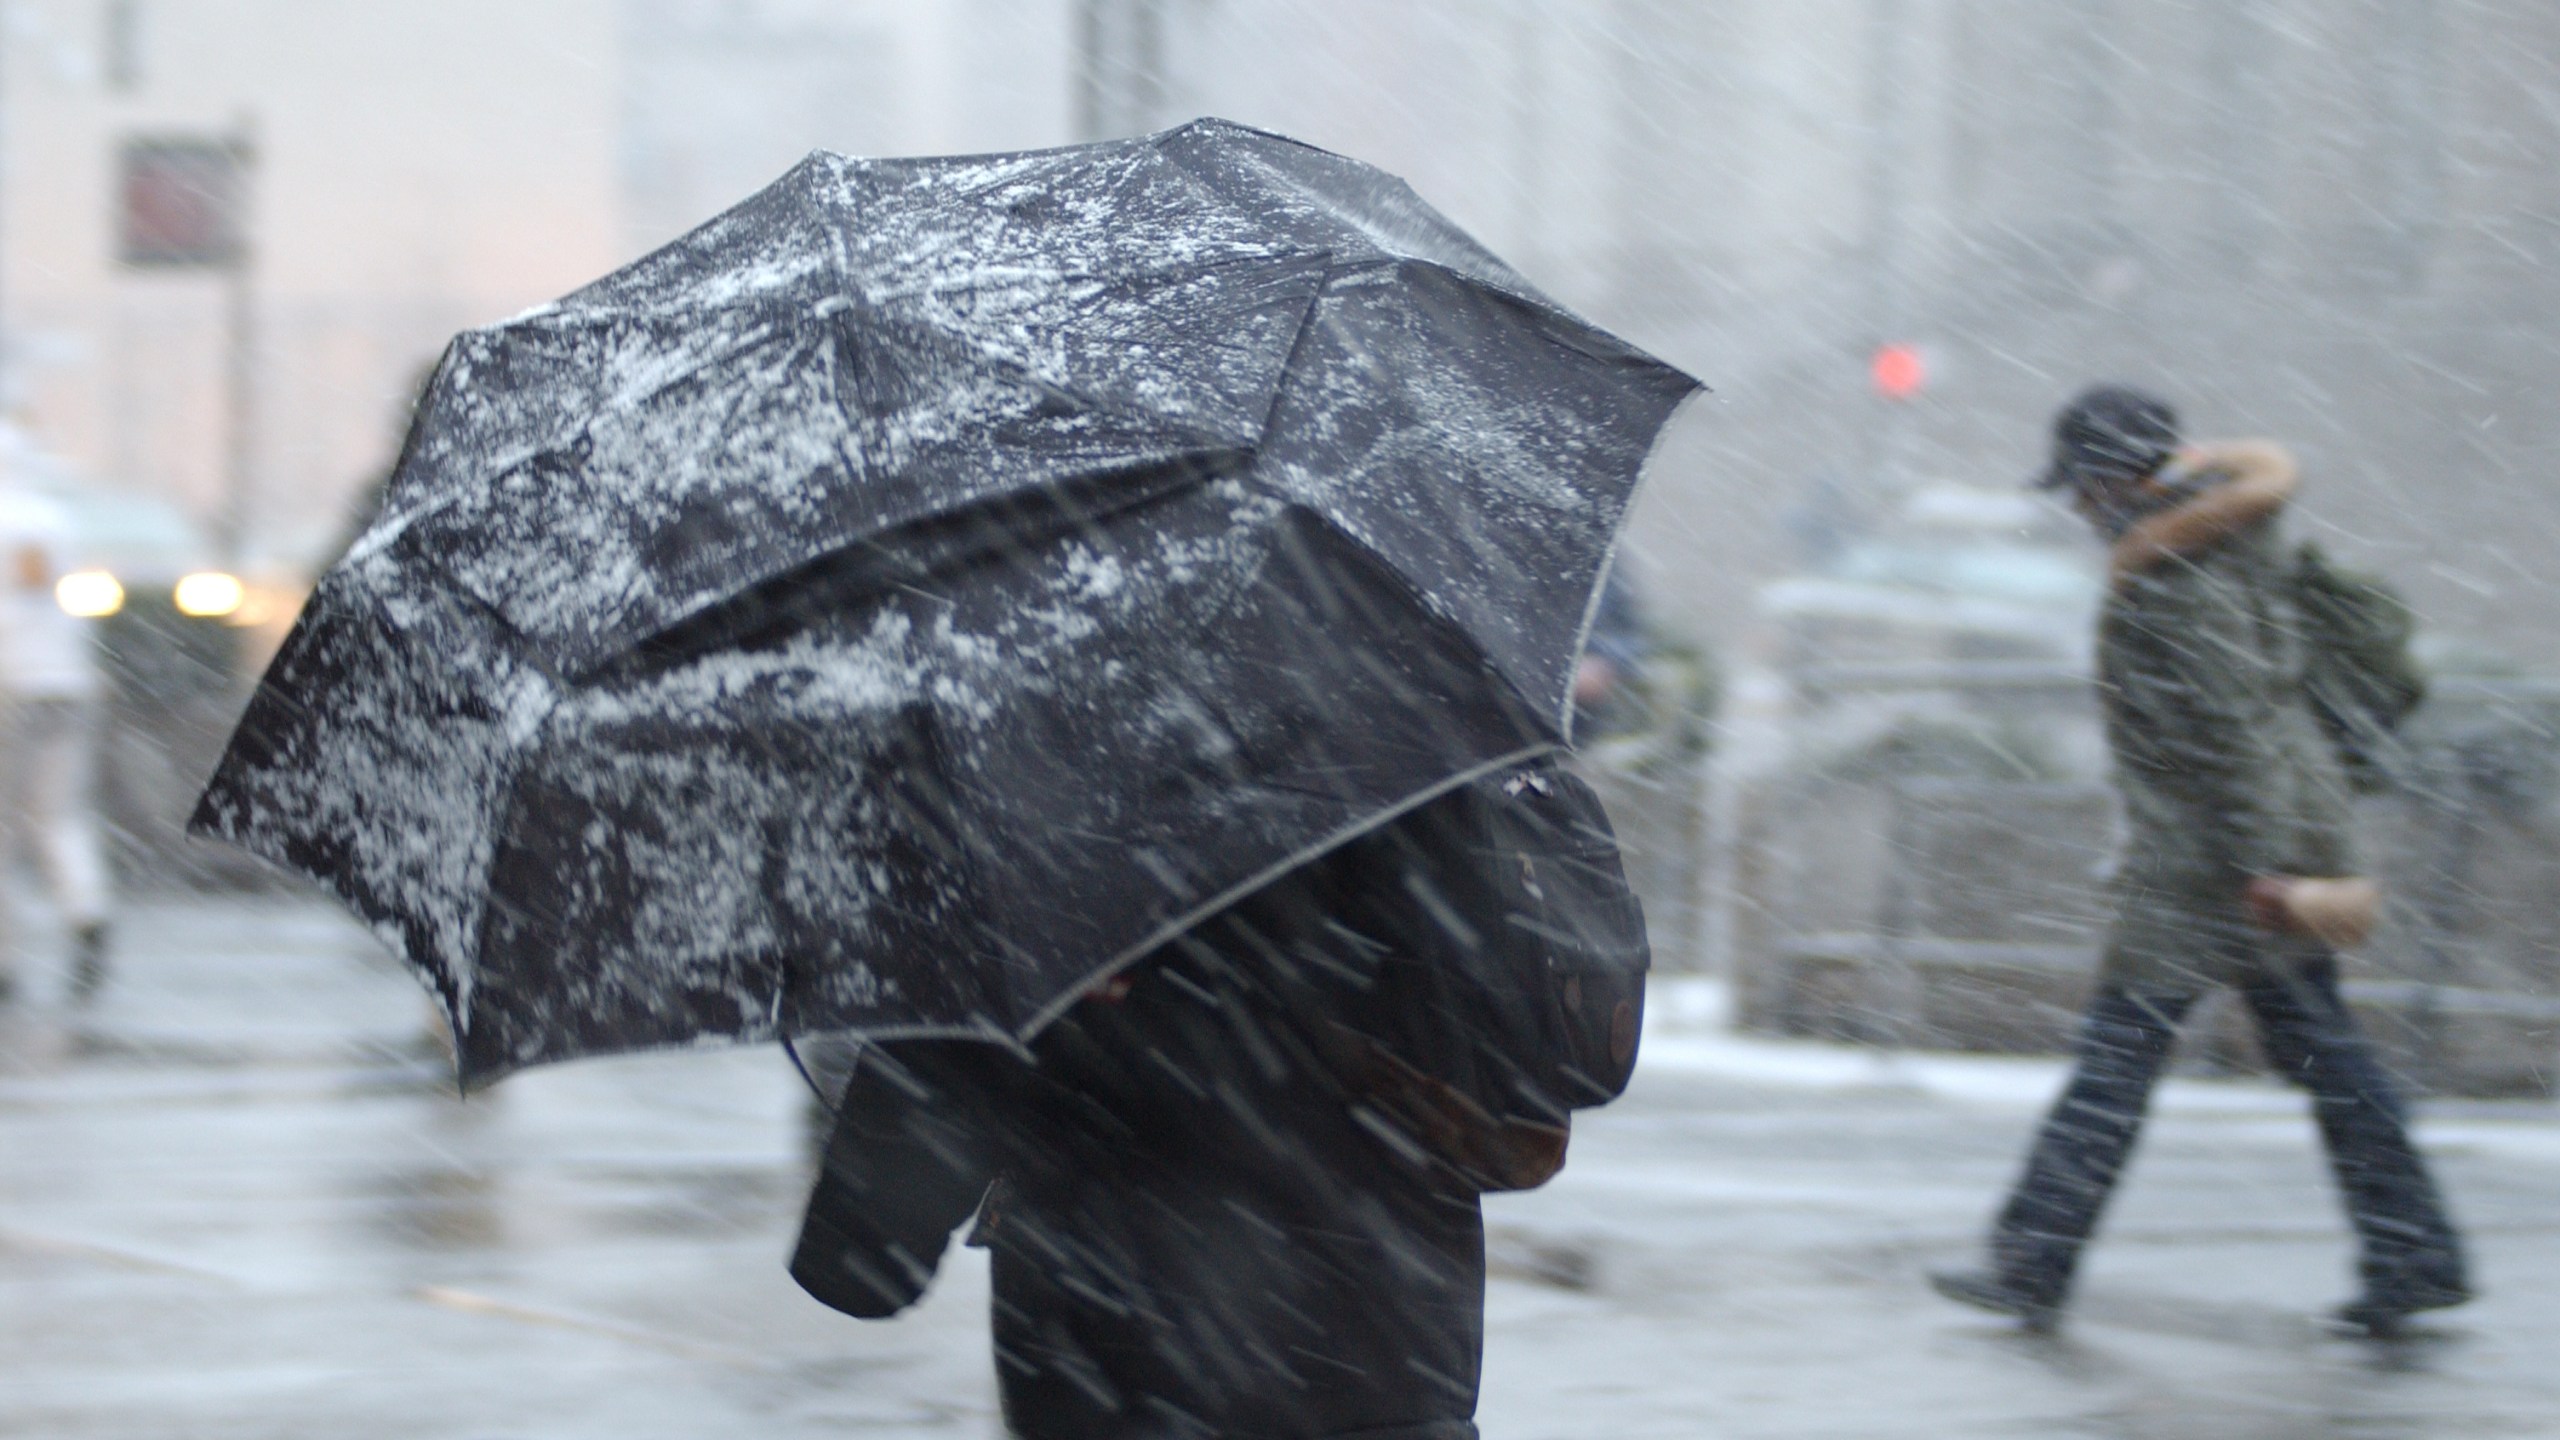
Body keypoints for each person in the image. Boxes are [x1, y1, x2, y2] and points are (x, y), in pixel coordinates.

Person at [790, 757, 1648, 1440]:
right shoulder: (1414, 733)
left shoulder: (1056, 769)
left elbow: (869, 1255)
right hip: (1393, 1362)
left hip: (1120, 1374)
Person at [1929, 384, 2469, 1338]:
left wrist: (2266, 866)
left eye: (2081, 486)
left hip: (2216, 864)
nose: (2076, 508)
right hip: (2249, 844)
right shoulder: (2222, 547)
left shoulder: (2178, 579)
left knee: (2118, 1063)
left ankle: (2032, 1264)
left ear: (2116, 480)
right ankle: (2412, 1253)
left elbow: (2237, 733)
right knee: (2323, 1058)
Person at [0, 477, 113, 1001]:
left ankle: (7, 957)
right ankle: (87, 912)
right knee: (58, 816)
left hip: (9, 682)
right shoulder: (50, 514)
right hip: (64, 680)